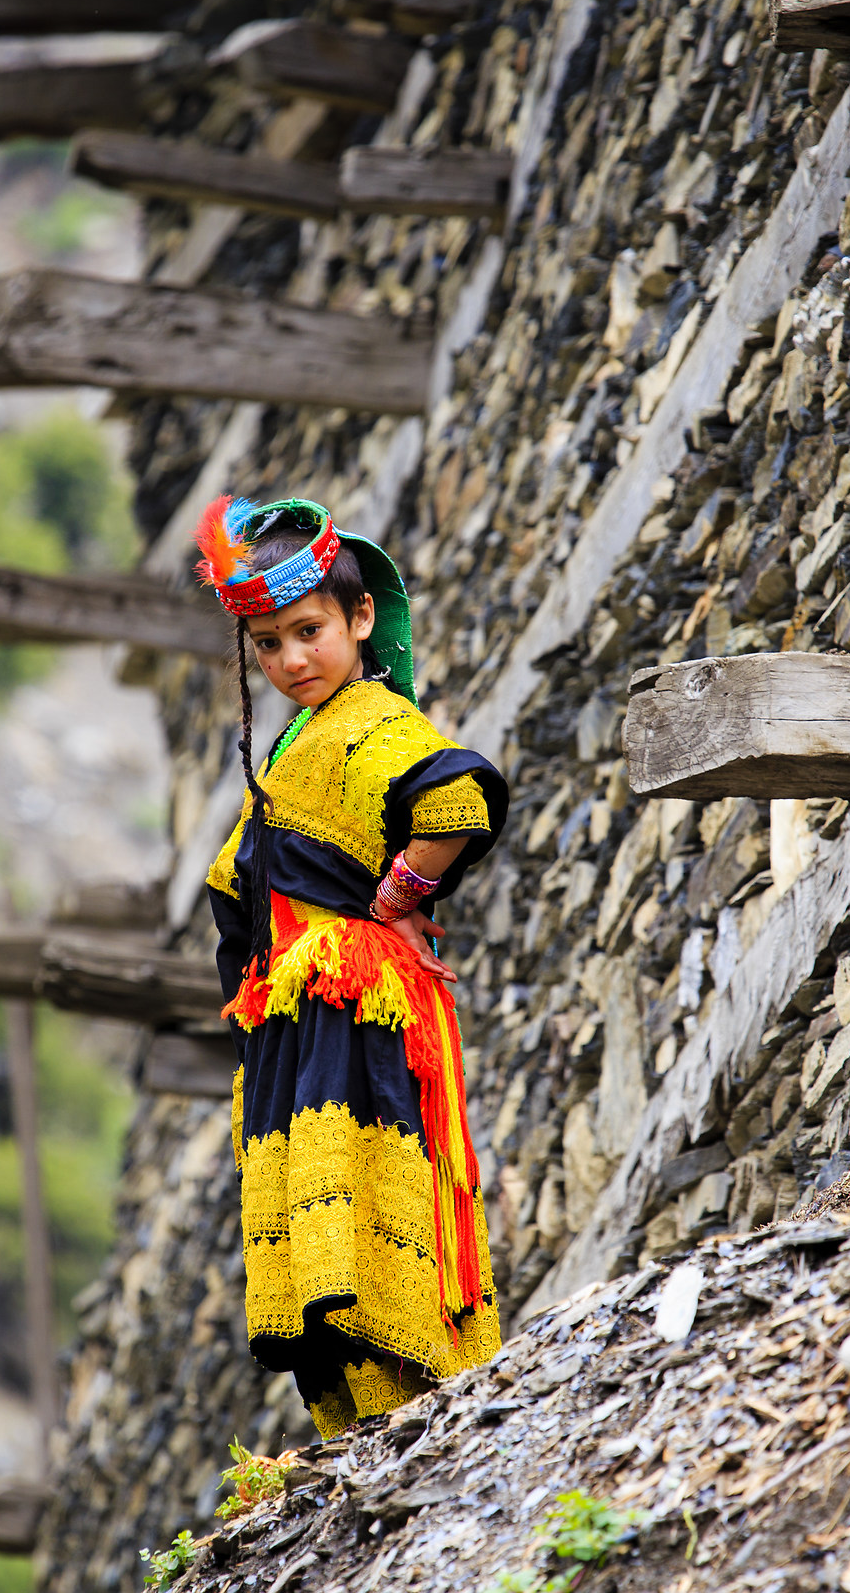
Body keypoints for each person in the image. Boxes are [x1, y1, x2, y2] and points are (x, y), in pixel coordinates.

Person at [195, 494, 509, 1439]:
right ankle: (363, 1425)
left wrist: (395, 899)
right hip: (296, 1011)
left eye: (310, 631)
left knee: (366, 1195)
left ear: (360, 617)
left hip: (348, 1001)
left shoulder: (372, 719)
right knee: (314, 1234)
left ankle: (413, 1406)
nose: (292, 661)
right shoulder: (298, 739)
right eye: (270, 645)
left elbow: (455, 795)